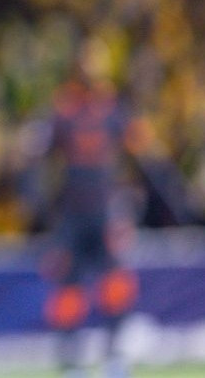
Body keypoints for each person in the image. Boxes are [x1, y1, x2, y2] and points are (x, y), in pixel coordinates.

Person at [38, 41, 139, 378]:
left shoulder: (113, 109)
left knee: (114, 282)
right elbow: (48, 160)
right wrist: (51, 209)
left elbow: (129, 156)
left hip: (104, 209)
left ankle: (114, 355)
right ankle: (72, 360)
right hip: (72, 211)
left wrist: (124, 203)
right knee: (69, 285)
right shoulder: (63, 109)